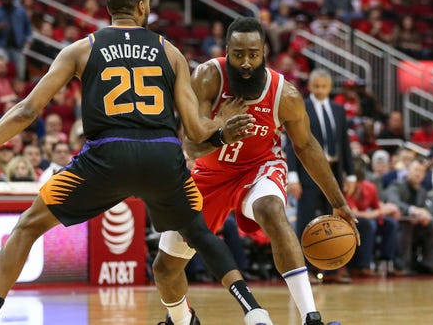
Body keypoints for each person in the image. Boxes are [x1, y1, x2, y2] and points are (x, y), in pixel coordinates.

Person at [0, 0, 266, 325]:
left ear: (109, 9)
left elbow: (26, 110)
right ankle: (254, 311)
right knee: (200, 232)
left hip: (107, 157)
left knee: (27, 227)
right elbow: (195, 130)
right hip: (162, 155)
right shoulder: (168, 50)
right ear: (143, 7)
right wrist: (220, 130)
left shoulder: (81, 48)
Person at [154, 17, 359, 325]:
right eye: (238, 54)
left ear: (264, 52)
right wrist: (221, 126)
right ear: (227, 51)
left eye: (253, 53)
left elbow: (307, 147)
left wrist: (338, 201)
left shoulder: (284, 95)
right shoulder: (208, 77)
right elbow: (192, 149)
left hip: (259, 168)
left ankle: (310, 317)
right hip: (209, 175)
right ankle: (183, 319)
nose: (246, 62)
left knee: (272, 209)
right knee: (164, 269)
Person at [285, 68, 358, 284]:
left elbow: (344, 143)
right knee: (306, 221)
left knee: (335, 221)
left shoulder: (338, 109)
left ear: (329, 87)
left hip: (334, 171)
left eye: (324, 86)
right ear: (310, 86)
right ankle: (304, 270)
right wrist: (293, 176)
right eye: (316, 86)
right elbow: (292, 143)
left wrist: (351, 174)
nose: (320, 90)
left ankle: (333, 267)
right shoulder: (302, 107)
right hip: (308, 171)